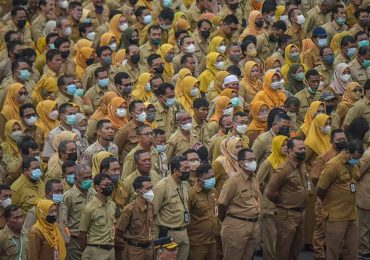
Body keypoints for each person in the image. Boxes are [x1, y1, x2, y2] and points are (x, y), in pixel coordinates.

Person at [317, 139, 364, 259]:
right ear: (347, 152)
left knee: (352, 251)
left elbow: (356, 179)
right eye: (355, 157)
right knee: (334, 252)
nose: (356, 161)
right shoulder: (333, 165)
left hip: (352, 215)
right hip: (335, 216)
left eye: (358, 158)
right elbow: (320, 189)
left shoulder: (355, 163)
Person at [266, 137, 309, 260]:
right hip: (287, 215)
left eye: (304, 148)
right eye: (300, 149)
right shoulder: (284, 170)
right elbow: (269, 192)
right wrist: (282, 203)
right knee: (283, 251)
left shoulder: (301, 165)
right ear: (290, 150)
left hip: (300, 214)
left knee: (296, 249)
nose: (303, 151)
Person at [310, 128, 347, 259]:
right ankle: (319, 255)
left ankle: (339, 253)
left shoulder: (346, 157)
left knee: (340, 228)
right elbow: (314, 177)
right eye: (339, 140)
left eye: (344, 139)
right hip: (324, 199)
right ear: (332, 141)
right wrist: (324, 192)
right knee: (321, 228)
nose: (342, 142)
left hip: (341, 201)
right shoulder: (324, 158)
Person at [218, 148, 260, 259]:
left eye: (254, 159)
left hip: (254, 224)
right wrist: (228, 222)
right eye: (250, 159)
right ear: (241, 163)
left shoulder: (255, 178)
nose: (254, 162)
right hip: (236, 226)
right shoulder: (233, 181)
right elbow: (222, 204)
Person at [153, 156, 190, 260]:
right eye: (185, 169)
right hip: (168, 234)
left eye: (188, 168)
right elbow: (152, 213)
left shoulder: (185, 184)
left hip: (184, 232)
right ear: (175, 171)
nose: (188, 171)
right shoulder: (162, 186)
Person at [257, 135, 288, 260]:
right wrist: (266, 191)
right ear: (276, 146)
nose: (286, 148)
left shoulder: (288, 161)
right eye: (283, 145)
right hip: (269, 207)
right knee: (270, 240)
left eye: (287, 145)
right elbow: (257, 181)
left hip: (283, 205)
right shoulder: (268, 163)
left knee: (282, 239)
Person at [115, 175, 154, 260]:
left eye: (151, 188)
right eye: (147, 189)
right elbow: (118, 231)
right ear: (138, 191)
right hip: (134, 251)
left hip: (148, 250)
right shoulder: (130, 209)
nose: (151, 191)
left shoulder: (151, 206)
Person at [79, 173, 116, 260]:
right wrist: (88, 250)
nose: (109, 187)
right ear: (97, 187)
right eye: (106, 185)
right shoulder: (89, 208)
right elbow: (82, 234)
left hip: (111, 250)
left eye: (111, 184)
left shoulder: (112, 205)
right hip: (95, 251)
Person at [63, 164, 95, 260]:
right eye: (85, 178)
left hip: (91, 239)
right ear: (76, 179)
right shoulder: (68, 196)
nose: (88, 180)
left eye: (90, 177)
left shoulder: (94, 193)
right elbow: (62, 221)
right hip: (74, 241)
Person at [187, 163, 218, 260]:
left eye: (213, 176)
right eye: (210, 177)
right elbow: (186, 217)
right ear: (200, 180)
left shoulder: (213, 191)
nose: (213, 179)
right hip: (198, 241)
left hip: (213, 239)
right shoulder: (191, 194)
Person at [0, 120, 24, 184]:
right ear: (8, 132)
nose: (17, 132)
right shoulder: (3, 147)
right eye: (13, 130)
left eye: (19, 129)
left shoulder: (24, 143)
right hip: (9, 180)